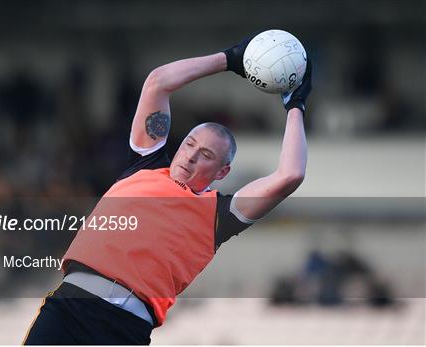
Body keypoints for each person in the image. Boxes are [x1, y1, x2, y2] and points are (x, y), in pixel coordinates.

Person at [23, 35, 312, 345]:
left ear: (222, 172)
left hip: (123, 329)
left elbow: (290, 174)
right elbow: (158, 83)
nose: (191, 155)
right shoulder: (145, 164)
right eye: (190, 144)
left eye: (207, 155)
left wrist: (295, 105)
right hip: (68, 306)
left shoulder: (219, 215)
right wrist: (230, 59)